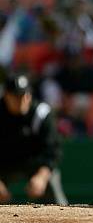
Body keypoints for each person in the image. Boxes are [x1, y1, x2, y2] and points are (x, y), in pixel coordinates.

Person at [0, 74, 68, 205]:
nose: (22, 100)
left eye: (25, 95)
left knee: (50, 179)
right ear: (6, 96)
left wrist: (41, 177)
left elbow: (53, 150)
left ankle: (63, 220)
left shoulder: (41, 113)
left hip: (34, 164)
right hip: (4, 164)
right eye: (16, 96)